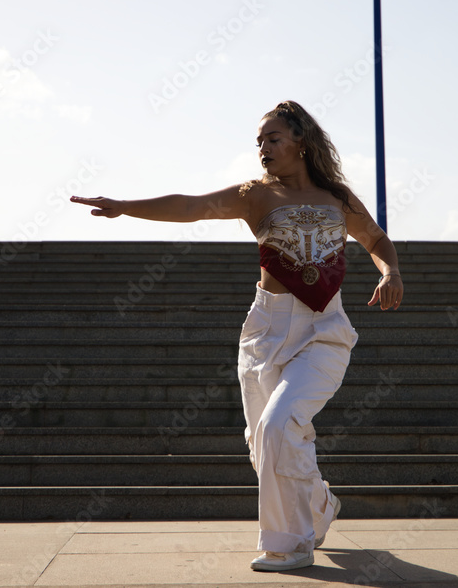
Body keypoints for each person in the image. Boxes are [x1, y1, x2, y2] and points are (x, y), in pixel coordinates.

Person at [70, 100, 404, 572]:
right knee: (263, 440)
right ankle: (321, 505)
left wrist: (390, 272)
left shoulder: (338, 199)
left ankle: (289, 544)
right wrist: (126, 207)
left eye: (273, 139)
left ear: (301, 144)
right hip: (266, 330)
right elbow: (190, 205)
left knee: (277, 427)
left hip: (323, 330)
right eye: (259, 142)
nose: (263, 149)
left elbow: (375, 239)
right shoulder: (255, 195)